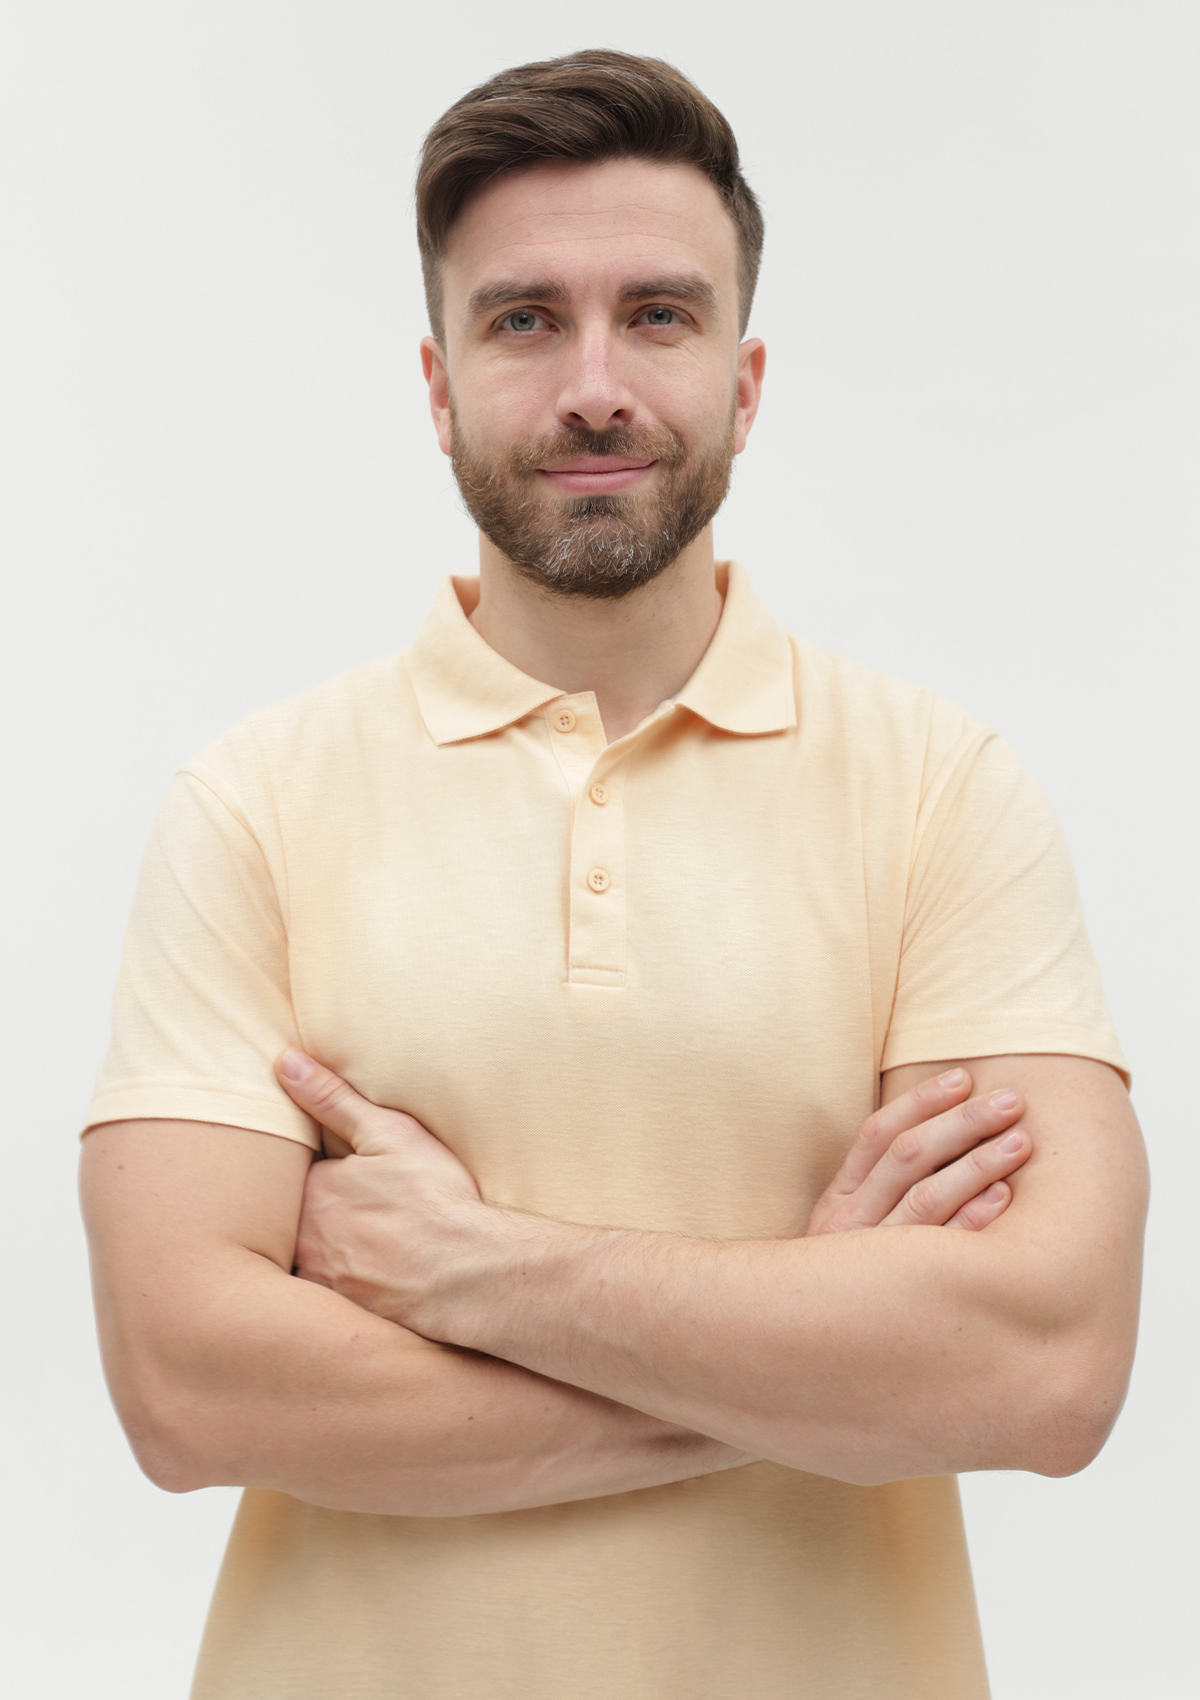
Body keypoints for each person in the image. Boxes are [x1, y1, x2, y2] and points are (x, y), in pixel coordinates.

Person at [80, 49, 1148, 1700]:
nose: (596, 386)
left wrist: (474, 1272)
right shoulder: (256, 806)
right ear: (438, 384)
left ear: (746, 376)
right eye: (525, 321)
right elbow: (183, 1390)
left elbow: (1049, 1364)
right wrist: (815, 1346)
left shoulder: (943, 791)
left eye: (658, 315)